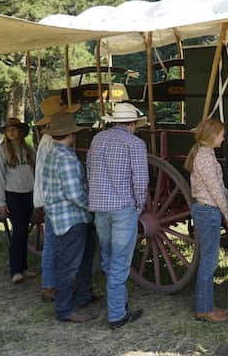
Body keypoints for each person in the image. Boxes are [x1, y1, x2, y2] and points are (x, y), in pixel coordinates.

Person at [86, 103, 148, 329]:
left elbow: (90, 171)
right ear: (132, 124)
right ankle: (116, 315)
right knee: (120, 262)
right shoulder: (135, 144)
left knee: (108, 257)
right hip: (123, 209)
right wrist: (138, 207)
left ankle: (118, 303)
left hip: (100, 208)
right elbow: (141, 181)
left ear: (113, 121)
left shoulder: (97, 140)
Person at [43, 113, 98, 323]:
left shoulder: (53, 153)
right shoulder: (65, 157)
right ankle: (64, 309)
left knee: (84, 257)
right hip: (71, 218)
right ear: (70, 134)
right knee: (69, 264)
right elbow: (74, 193)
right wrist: (92, 206)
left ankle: (83, 296)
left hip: (64, 216)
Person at [184, 118, 228, 323]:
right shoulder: (204, 157)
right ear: (212, 136)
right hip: (208, 211)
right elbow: (215, 191)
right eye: (221, 134)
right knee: (209, 262)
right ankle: (204, 309)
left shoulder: (206, 154)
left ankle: (207, 305)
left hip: (207, 210)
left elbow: (219, 187)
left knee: (209, 260)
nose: (223, 137)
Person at [34, 95, 81, 302]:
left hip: (50, 196)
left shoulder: (48, 141)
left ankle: (51, 285)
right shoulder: (51, 144)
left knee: (53, 243)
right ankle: (51, 287)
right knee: (54, 244)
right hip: (54, 199)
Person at [0, 117, 36, 284]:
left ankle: (24, 267)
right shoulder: (1, 152)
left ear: (20, 131)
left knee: (24, 230)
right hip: (12, 194)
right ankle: (15, 269)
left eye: (14, 129)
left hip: (29, 193)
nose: (11, 132)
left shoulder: (29, 150)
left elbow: (35, 172)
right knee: (19, 229)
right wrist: (1, 202)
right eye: (8, 129)